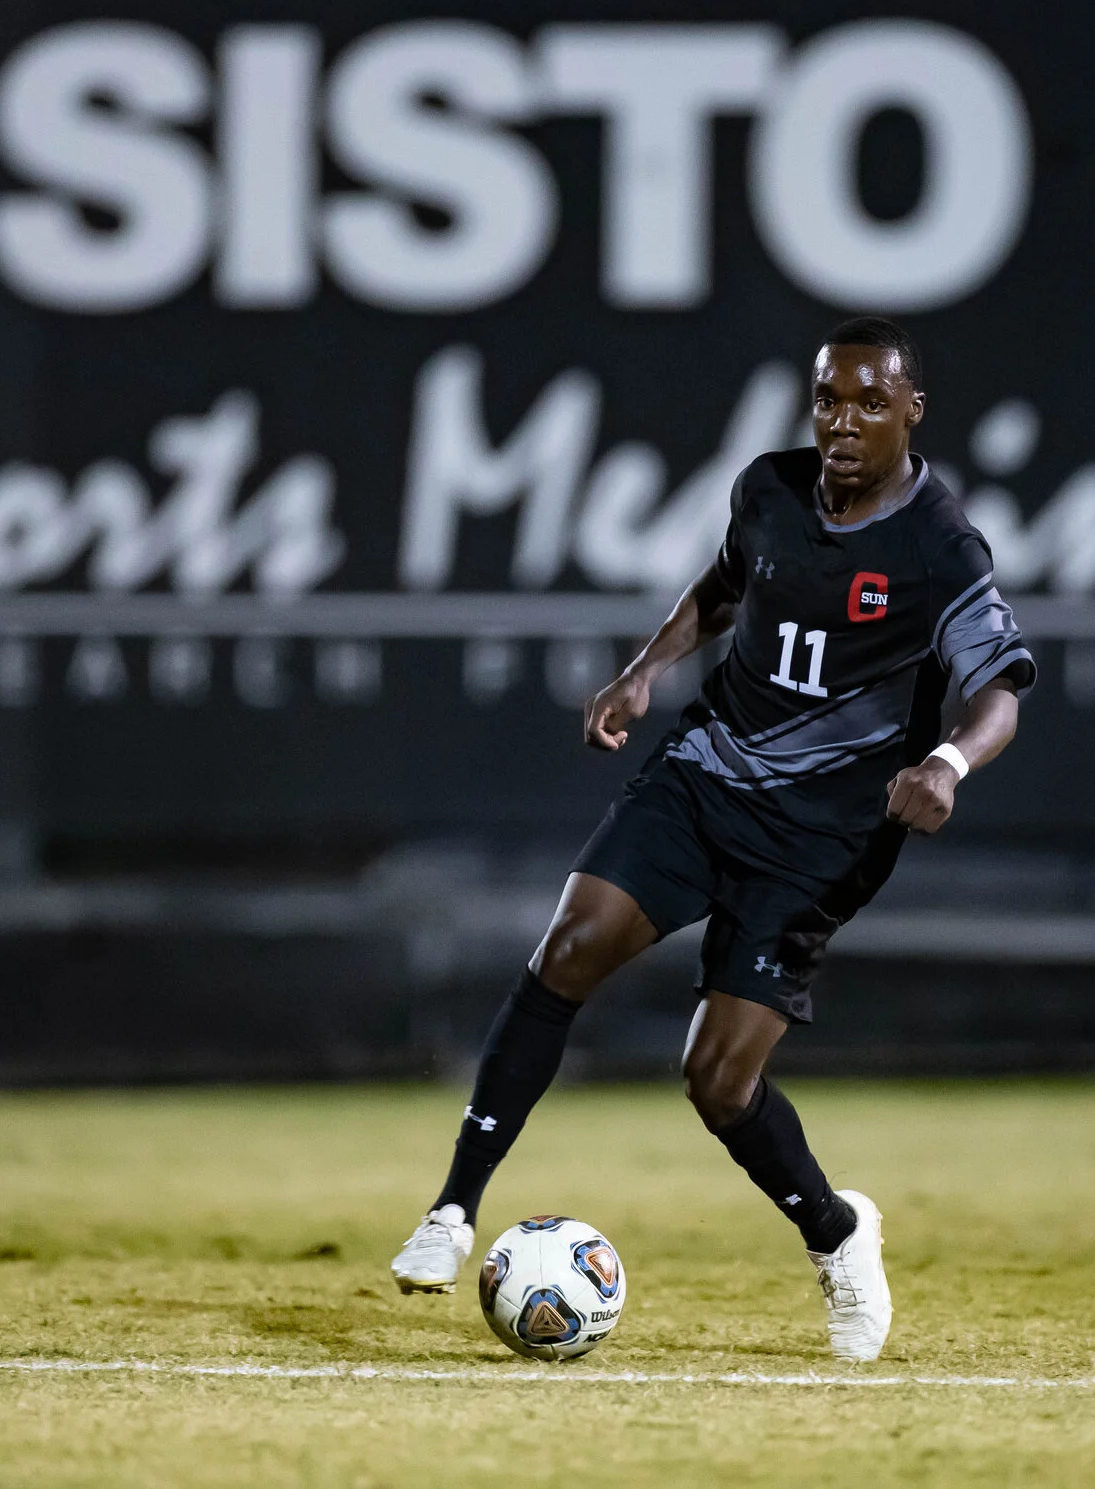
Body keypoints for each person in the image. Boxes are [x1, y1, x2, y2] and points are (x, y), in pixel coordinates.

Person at [390, 317, 1032, 1360]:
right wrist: (645, 667)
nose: (843, 421)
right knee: (569, 942)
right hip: (706, 774)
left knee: (717, 1078)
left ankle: (837, 1232)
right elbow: (724, 588)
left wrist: (946, 765)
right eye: (829, 398)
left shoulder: (937, 544)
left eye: (872, 403)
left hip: (821, 835)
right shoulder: (769, 488)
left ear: (912, 412)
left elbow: (998, 687)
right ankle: (452, 1209)